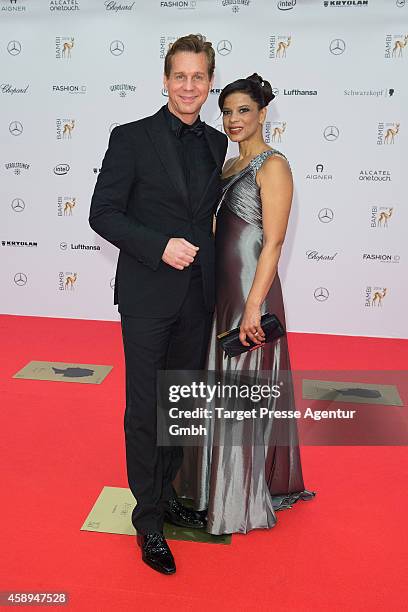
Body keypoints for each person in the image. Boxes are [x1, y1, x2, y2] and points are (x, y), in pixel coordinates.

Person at [89, 34, 228, 574]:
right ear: (164, 79)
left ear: (209, 82)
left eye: (199, 77)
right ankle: (147, 522)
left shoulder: (217, 144)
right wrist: (157, 246)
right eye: (180, 76)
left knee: (180, 404)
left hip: (198, 298)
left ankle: (167, 496)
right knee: (146, 410)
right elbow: (103, 214)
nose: (189, 86)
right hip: (148, 295)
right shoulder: (131, 138)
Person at [179, 74, 315, 535]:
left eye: (243, 111)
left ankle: (234, 496)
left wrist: (255, 305)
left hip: (249, 292)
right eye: (228, 111)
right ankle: (207, 487)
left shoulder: (273, 165)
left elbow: (273, 242)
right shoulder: (228, 165)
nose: (234, 120)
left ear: (262, 113)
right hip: (220, 290)